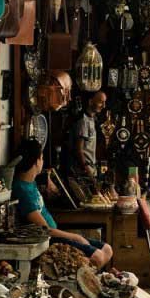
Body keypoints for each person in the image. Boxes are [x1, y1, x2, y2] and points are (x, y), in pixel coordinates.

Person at [12, 139, 114, 269]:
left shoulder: (31, 181)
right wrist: (75, 237)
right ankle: (81, 279)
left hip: (56, 234)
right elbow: (44, 230)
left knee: (107, 249)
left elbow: (48, 180)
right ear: (36, 161)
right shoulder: (21, 190)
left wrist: (49, 181)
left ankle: (86, 278)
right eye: (42, 158)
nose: (42, 162)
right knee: (98, 256)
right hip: (49, 239)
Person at [68, 91, 107, 178]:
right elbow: (79, 150)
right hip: (83, 173)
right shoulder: (84, 121)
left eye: (105, 102)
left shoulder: (92, 119)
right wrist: (86, 168)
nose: (104, 106)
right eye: (101, 102)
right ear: (90, 102)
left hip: (91, 170)